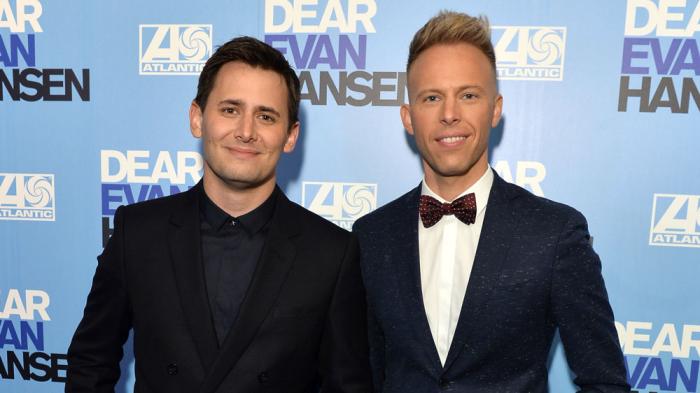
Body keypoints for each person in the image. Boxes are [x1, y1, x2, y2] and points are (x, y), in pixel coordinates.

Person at [66, 36, 372, 393]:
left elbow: (348, 386)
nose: (245, 131)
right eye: (230, 109)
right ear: (198, 118)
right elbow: (91, 362)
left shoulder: (331, 253)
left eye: (266, 116)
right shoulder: (138, 233)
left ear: (290, 136)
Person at [353, 11, 630, 393]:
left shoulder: (554, 235)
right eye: (432, 97)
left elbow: (605, 383)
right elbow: (364, 376)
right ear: (408, 117)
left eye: (468, 95)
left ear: (495, 109)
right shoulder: (371, 236)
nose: (450, 115)